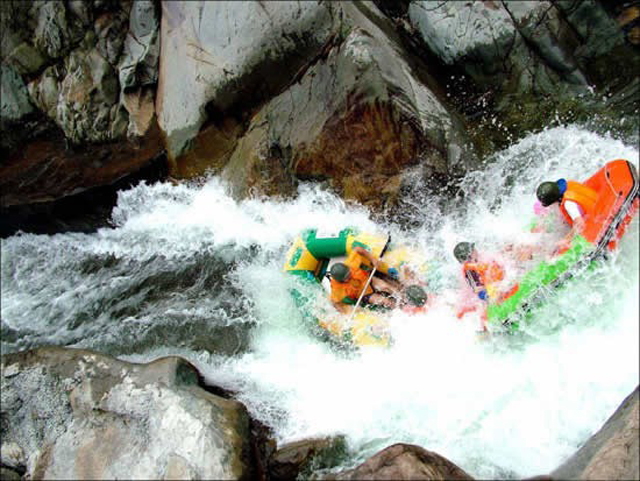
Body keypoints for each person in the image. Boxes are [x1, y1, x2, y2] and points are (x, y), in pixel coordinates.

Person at [329, 246, 401, 315]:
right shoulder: (337, 288)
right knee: (384, 301)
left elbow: (358, 249)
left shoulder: (350, 263)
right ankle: (400, 308)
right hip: (365, 295)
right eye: (347, 278)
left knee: (386, 287)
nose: (349, 276)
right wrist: (344, 313)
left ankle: (402, 297)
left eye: (349, 273)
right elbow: (334, 302)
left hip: (369, 280)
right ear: (340, 281)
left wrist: (373, 259)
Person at [453, 241, 505, 331]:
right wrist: (492, 289)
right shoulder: (469, 271)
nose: (476, 250)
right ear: (470, 255)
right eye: (473, 249)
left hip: (490, 285)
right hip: (483, 293)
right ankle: (487, 322)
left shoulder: (480, 260)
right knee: (487, 297)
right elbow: (477, 289)